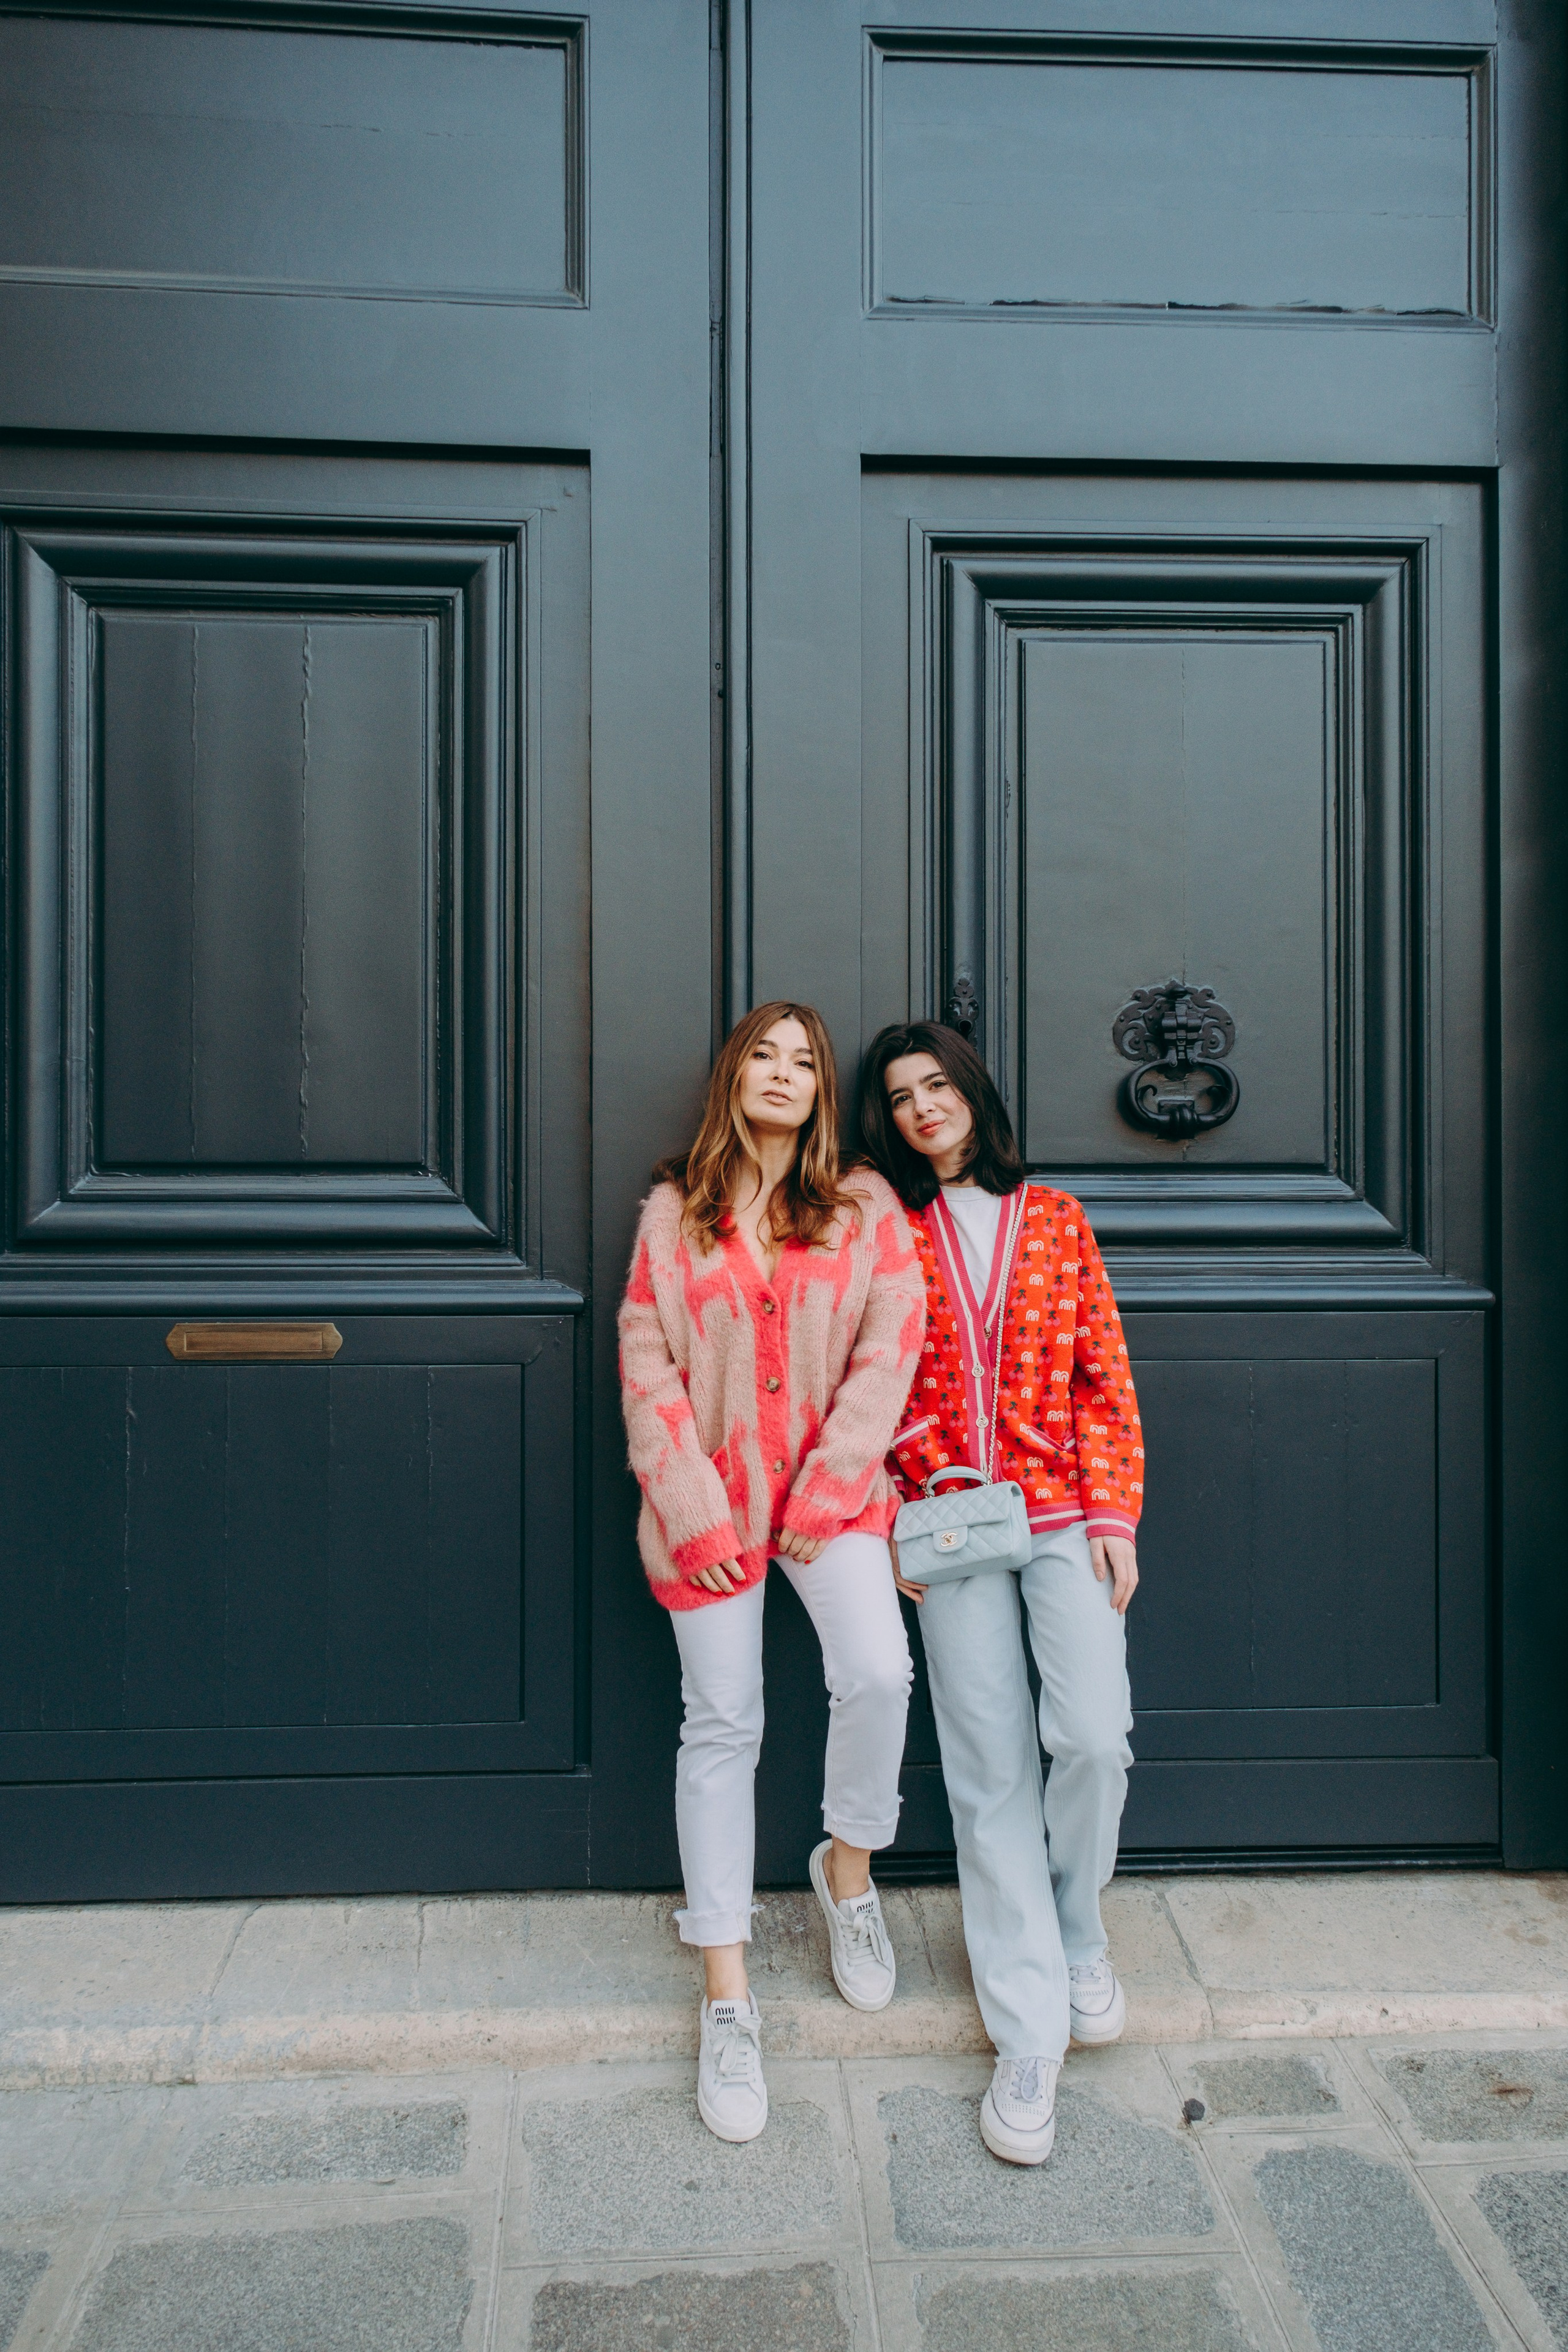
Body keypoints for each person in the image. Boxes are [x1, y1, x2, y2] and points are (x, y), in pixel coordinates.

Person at [619, 1001, 925, 2144]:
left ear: (824, 1092)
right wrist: (696, 1509)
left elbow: (890, 1347)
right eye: (766, 1056)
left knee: (880, 1672)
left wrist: (836, 1479)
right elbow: (647, 1369)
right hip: (709, 1509)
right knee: (723, 1722)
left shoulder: (862, 1206)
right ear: (733, 1078)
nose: (786, 1075)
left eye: (806, 1062)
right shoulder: (674, 1213)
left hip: (829, 1501)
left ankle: (846, 1874)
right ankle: (728, 1997)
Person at [856, 1020, 1143, 2168]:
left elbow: (1102, 1369)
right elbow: (857, 1377)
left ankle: (1078, 1931)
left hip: (1066, 1511)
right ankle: (1027, 2036)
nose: (925, 1107)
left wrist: (1116, 1514)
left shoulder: (1057, 1219)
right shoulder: (886, 1229)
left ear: (974, 1094)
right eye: (902, 1096)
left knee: (1092, 1738)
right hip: (949, 1521)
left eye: (940, 1086)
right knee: (986, 1772)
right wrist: (886, 1516)